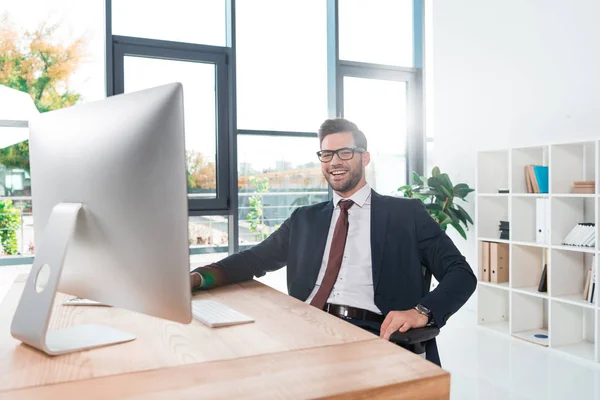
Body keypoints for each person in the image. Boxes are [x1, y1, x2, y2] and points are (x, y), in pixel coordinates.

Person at [190, 118, 476, 366]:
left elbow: (461, 274)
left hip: (371, 331)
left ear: (364, 158)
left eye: (345, 152)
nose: (334, 161)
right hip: (304, 327)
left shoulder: (406, 214)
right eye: (326, 154)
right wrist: (198, 278)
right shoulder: (305, 219)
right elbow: (254, 259)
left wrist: (422, 312)